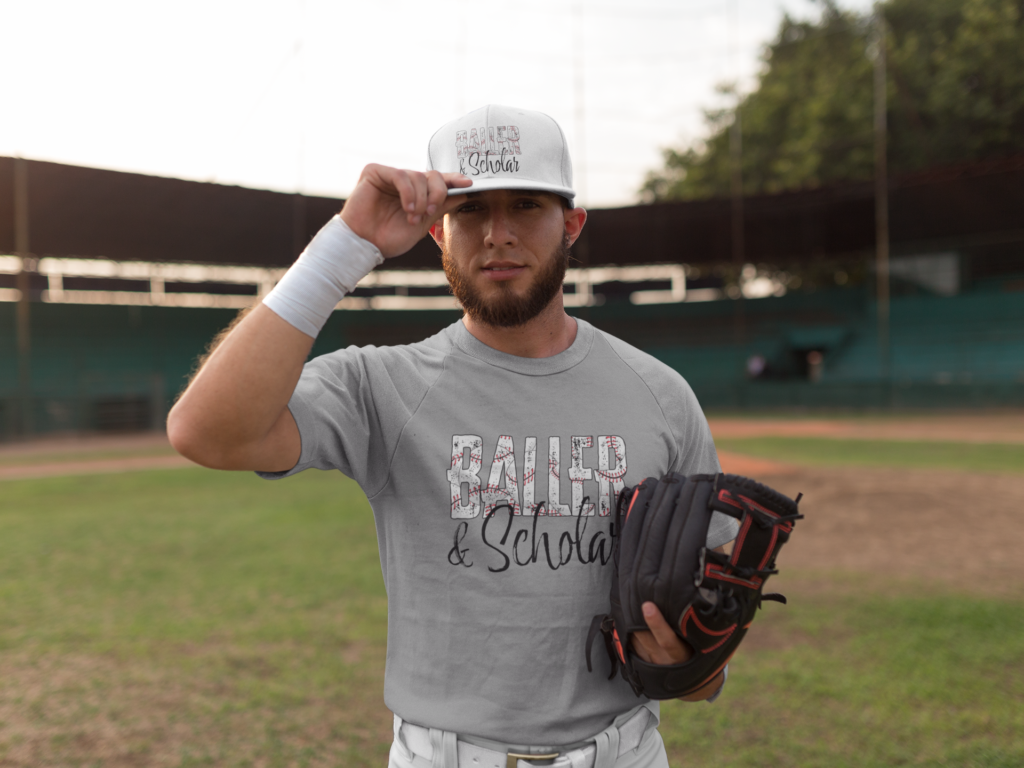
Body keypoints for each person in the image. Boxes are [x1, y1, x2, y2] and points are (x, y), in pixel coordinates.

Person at [168, 104, 738, 768]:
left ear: (571, 224)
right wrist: (345, 244)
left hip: (625, 751)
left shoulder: (661, 394)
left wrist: (697, 669)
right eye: (471, 210)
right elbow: (207, 432)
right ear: (438, 232)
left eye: (526, 205)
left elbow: (713, 605)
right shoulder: (381, 386)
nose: (498, 234)